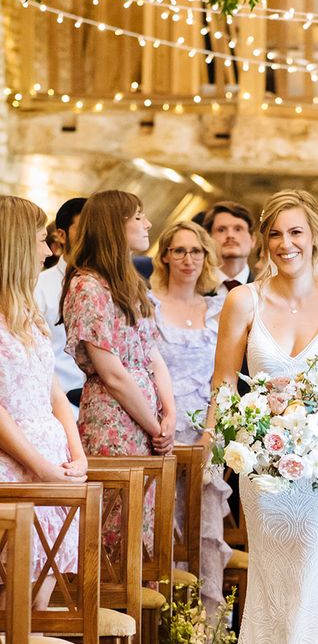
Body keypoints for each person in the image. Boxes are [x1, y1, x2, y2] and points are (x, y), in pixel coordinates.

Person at [206, 189, 318, 643]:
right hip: (265, 471)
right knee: (275, 587)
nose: (287, 244)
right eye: (276, 234)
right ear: (265, 242)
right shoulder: (243, 301)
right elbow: (224, 384)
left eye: (296, 232)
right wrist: (216, 456)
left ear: (315, 237)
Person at [61, 190, 176, 551]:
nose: (148, 223)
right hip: (114, 418)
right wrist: (155, 425)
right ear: (115, 225)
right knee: (116, 527)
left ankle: (140, 602)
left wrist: (169, 412)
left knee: (144, 527)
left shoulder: (130, 282)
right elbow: (111, 372)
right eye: (138, 216)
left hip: (145, 416)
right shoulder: (87, 285)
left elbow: (151, 353)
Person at [0, 195, 87, 608]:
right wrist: (41, 467)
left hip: (51, 468)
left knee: (34, 611)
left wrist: (76, 450)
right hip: (14, 469)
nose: (49, 250)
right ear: (15, 244)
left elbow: (49, 383)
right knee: (9, 610)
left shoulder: (28, 309)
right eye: (39, 240)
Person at [149, 220, 232, 614]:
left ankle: (208, 628)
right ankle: (166, 627)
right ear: (164, 255)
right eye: (179, 250)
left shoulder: (217, 309)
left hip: (206, 434)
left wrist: (212, 433)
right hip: (159, 434)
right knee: (163, 533)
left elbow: (224, 377)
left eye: (196, 251)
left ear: (206, 257)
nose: (188, 259)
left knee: (205, 534)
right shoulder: (146, 306)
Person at [34, 197, 87, 414]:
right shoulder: (39, 287)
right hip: (59, 408)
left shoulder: (115, 288)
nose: (92, 236)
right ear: (61, 235)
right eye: (84, 228)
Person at [203, 201, 257, 295]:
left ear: (253, 240)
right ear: (208, 239)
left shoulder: (266, 290)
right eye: (221, 230)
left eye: (238, 229)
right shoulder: (195, 290)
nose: (230, 235)